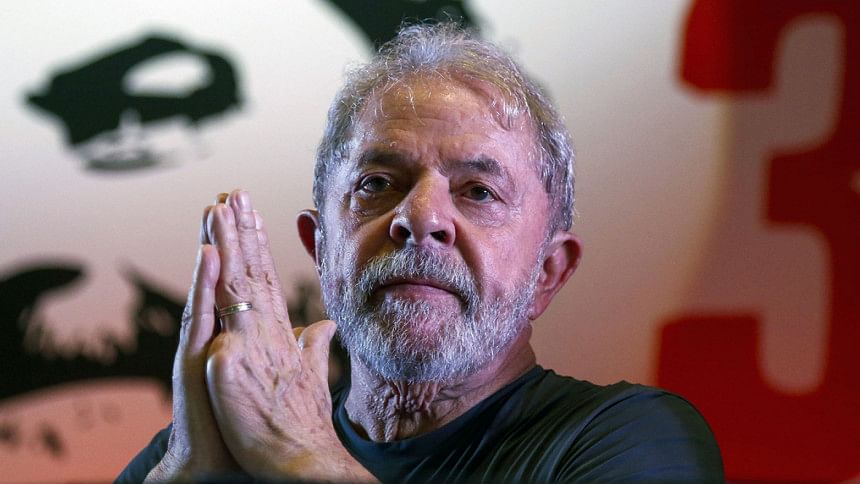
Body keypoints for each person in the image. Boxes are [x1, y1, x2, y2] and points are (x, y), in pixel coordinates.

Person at [118, 23, 723, 482]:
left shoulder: (630, 440)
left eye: (479, 191)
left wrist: (300, 457)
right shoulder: (200, 450)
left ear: (548, 271)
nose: (421, 218)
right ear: (319, 247)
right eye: (378, 183)